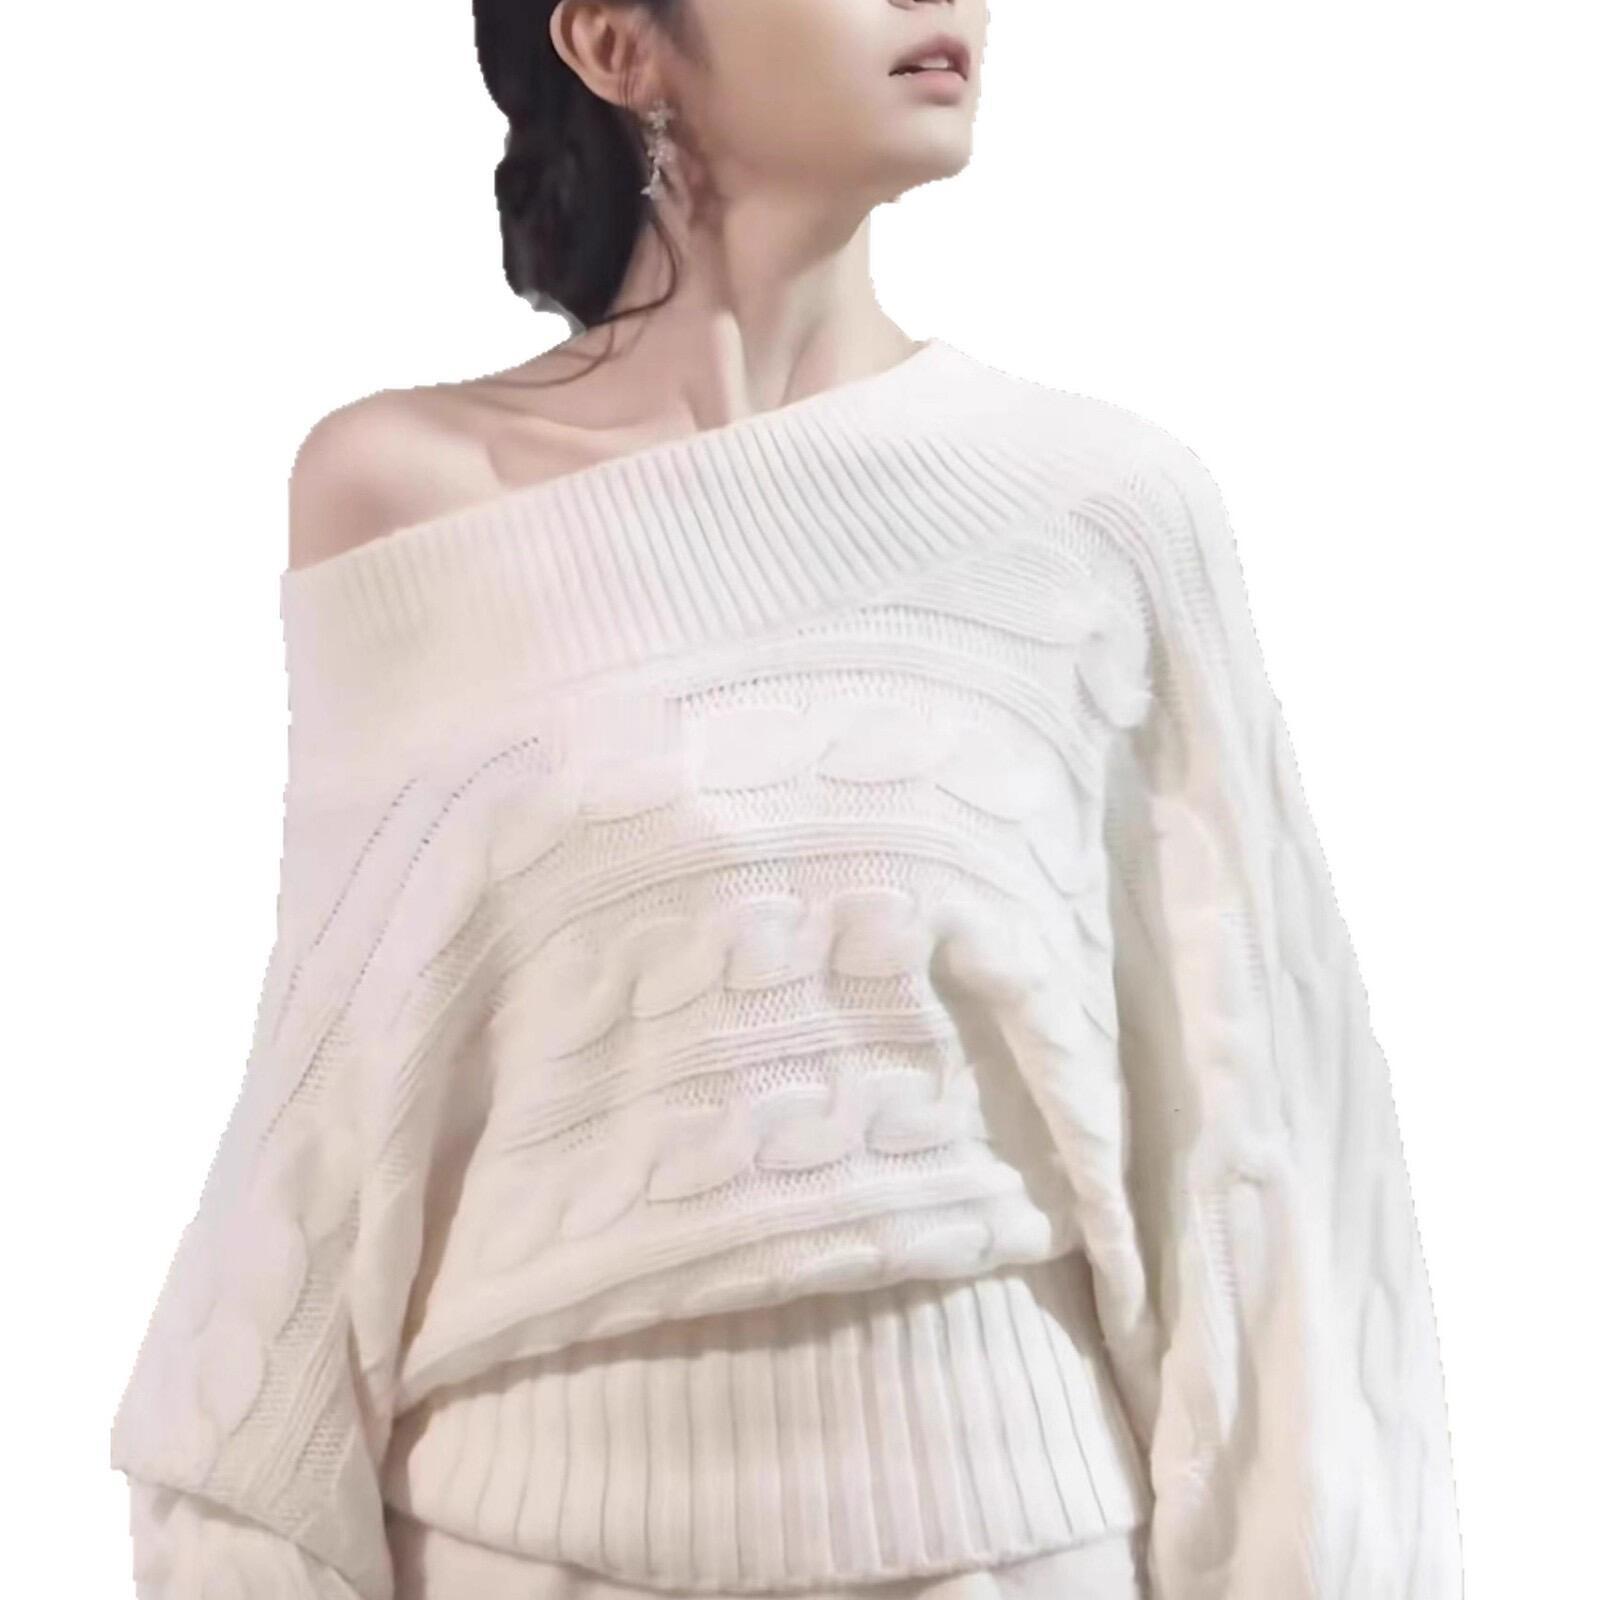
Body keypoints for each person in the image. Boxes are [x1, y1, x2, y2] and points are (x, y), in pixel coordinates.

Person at [107, 3, 1464, 1597]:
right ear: (616, 44)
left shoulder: (1100, 511)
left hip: (1016, 1549)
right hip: (515, 1548)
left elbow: (1256, 1153)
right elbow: (337, 1122)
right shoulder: (401, 494)